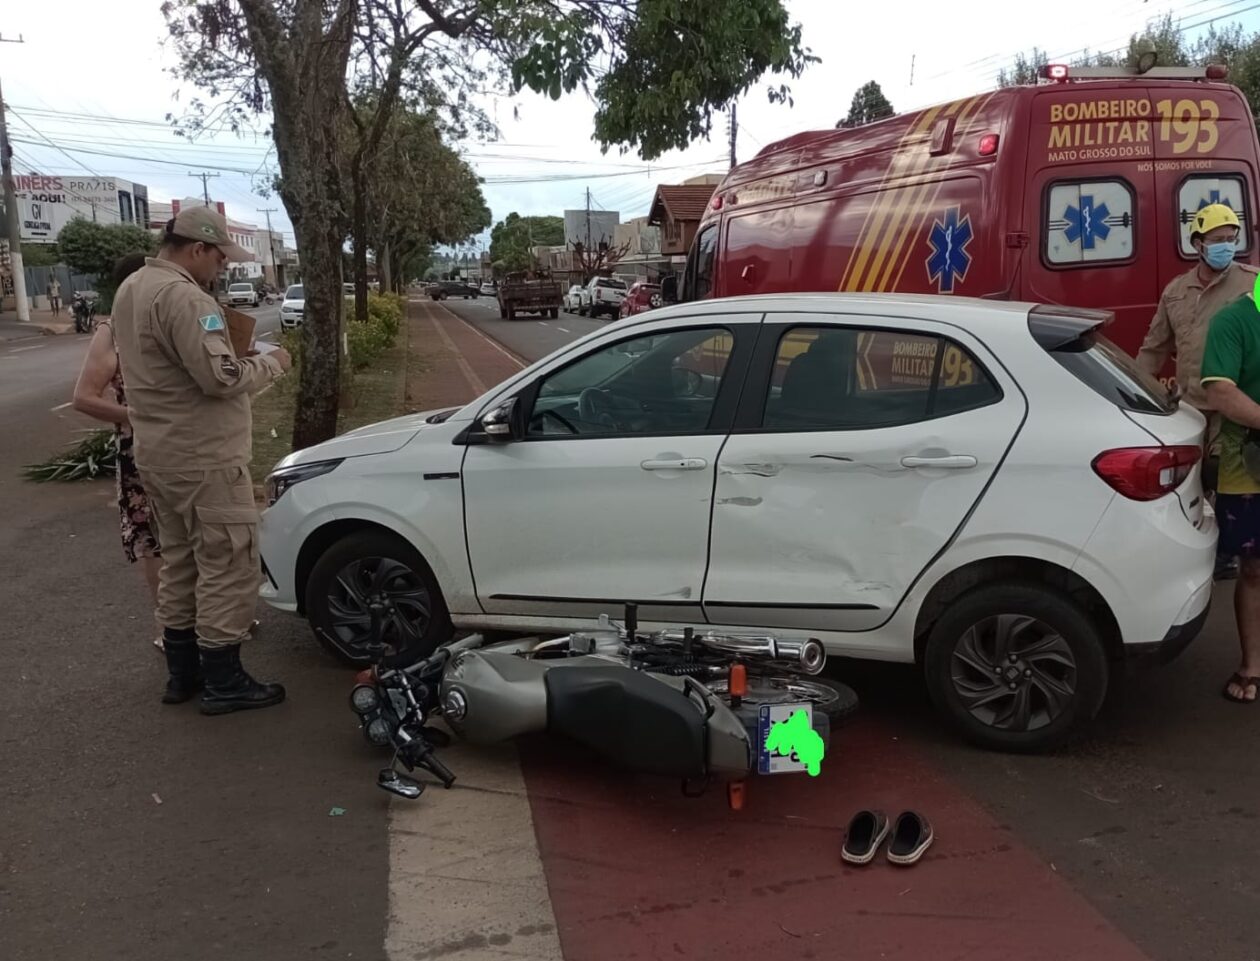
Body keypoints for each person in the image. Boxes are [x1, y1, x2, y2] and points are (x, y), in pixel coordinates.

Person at [112, 207, 292, 714]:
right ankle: (224, 679)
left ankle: (182, 673)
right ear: (198, 249)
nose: (222, 269)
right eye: (219, 258)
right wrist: (272, 363)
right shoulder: (186, 298)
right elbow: (221, 378)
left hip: (159, 454)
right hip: (205, 458)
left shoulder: (133, 289)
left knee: (182, 563)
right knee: (228, 562)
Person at [1138, 203, 1257, 579]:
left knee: (1228, 482)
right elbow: (1154, 348)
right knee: (1190, 483)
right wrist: (1135, 395)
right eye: (1217, 240)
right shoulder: (1176, 292)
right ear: (1198, 244)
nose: (1226, 246)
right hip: (1189, 410)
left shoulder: (1252, 284)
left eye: (1231, 239)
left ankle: (1230, 554)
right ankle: (1200, 551)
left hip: (1234, 407)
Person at [72, 253, 161, 617]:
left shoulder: (164, 320)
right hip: (140, 450)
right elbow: (83, 398)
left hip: (186, 445)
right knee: (153, 539)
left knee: (194, 533)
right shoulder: (111, 333)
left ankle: (210, 621)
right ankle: (171, 629)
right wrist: (137, 418)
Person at [1202, 285, 1260, 703]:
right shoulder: (1233, 320)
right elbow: (1220, 391)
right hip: (1248, 462)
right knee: (1254, 570)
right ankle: (1251, 665)